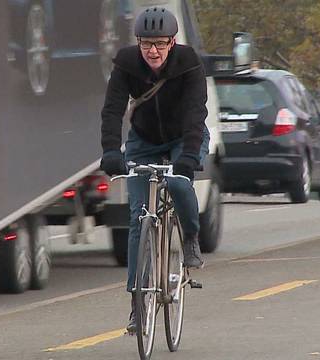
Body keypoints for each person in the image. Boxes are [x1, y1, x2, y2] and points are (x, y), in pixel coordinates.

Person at [99, 7, 210, 333]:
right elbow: (112, 109)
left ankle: (190, 236)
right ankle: (137, 303)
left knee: (177, 184)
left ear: (172, 42)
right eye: (147, 44)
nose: (153, 51)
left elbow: (195, 112)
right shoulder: (126, 63)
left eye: (160, 43)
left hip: (184, 137)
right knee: (138, 217)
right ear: (138, 43)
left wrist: (189, 157)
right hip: (144, 140)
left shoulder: (188, 62)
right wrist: (109, 150)